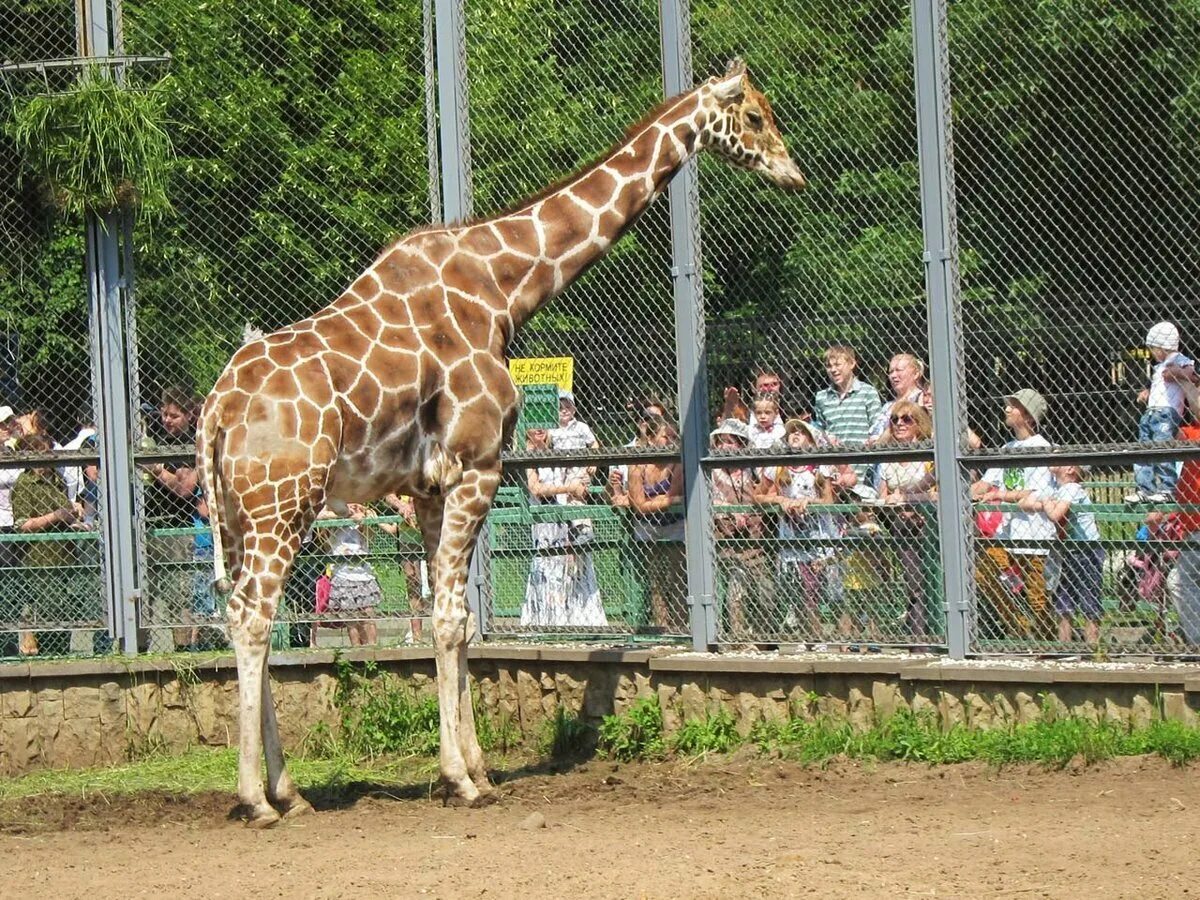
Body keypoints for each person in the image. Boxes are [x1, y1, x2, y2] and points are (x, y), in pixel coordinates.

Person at [970, 389, 1057, 641]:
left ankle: (1047, 641)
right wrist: (965, 491)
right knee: (984, 572)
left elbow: (1033, 490)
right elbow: (988, 482)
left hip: (1034, 533)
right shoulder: (1007, 447)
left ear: (1029, 416)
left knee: (1036, 594)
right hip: (1006, 532)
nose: (1006, 409)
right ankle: (1018, 626)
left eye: (1014, 406)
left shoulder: (1041, 447)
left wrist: (1000, 496)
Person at [756, 418, 841, 641]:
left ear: (811, 439)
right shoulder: (779, 466)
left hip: (818, 537)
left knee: (819, 589)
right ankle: (809, 636)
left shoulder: (819, 467)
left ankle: (823, 636)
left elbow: (829, 500)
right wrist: (779, 500)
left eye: (800, 432)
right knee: (799, 589)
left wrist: (809, 503)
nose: (794, 435)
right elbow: (758, 495)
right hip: (791, 538)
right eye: (791, 432)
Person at [521, 427, 607, 628]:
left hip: (566, 517)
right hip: (546, 519)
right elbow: (536, 488)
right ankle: (548, 620)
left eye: (543, 425)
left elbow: (574, 476)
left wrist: (579, 483)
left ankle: (577, 619)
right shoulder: (528, 453)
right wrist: (568, 488)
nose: (539, 430)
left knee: (573, 568)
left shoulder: (556, 448)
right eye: (534, 425)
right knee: (549, 569)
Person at [11, 433, 83, 656]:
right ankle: (48, 654)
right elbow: (22, 524)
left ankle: (60, 653)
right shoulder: (25, 484)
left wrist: (74, 514)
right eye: (42, 452)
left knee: (68, 607)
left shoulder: (56, 480)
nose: (48, 457)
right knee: (48, 608)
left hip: (64, 555)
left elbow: (63, 512)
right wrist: (54, 516)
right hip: (40, 558)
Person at [142, 384, 202, 651]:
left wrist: (156, 469)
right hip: (148, 525)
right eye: (164, 414)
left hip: (177, 529)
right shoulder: (156, 435)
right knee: (144, 594)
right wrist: (169, 474)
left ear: (188, 415)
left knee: (179, 596)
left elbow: (184, 488)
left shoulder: (195, 443)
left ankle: (182, 652)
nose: (166, 420)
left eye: (174, 415)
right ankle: (140, 650)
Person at [1019, 464, 1103, 646]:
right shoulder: (1057, 489)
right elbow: (1024, 504)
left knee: (1089, 598)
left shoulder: (1073, 489)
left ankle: (1092, 646)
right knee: (1063, 599)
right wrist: (1044, 502)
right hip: (1066, 552)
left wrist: (1047, 503)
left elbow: (1056, 515)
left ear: (1070, 469)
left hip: (1085, 550)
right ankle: (1065, 646)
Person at [877, 401, 938, 640]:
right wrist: (894, 507)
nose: (900, 424)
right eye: (895, 419)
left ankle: (937, 635)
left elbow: (937, 492)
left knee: (932, 580)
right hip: (901, 526)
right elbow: (882, 496)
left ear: (918, 424)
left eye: (907, 419)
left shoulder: (927, 454)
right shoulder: (888, 459)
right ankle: (917, 638)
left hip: (929, 526)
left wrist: (908, 498)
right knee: (913, 583)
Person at [709, 419, 769, 640]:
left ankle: (764, 638)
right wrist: (730, 509)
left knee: (765, 591)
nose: (725, 447)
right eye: (721, 442)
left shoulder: (751, 470)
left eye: (731, 442)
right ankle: (737, 637)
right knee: (736, 588)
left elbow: (764, 493)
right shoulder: (712, 471)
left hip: (754, 540)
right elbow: (708, 500)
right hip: (725, 540)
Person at [626, 416, 686, 632]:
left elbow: (673, 495)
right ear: (650, 439)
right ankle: (663, 628)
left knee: (679, 579)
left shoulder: (677, 462)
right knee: (657, 582)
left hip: (675, 527)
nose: (670, 441)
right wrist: (662, 502)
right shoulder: (637, 466)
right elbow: (639, 506)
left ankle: (681, 629)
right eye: (665, 436)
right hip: (647, 529)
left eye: (673, 437)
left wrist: (656, 501)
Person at [1128, 322, 1197, 505]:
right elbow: (1159, 387)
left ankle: (1167, 487)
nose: (1152, 353)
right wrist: (1147, 392)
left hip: (1167, 412)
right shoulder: (1159, 367)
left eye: (1152, 348)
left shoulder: (1178, 359)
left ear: (1160, 347)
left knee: (1162, 446)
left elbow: (1192, 374)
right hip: (1151, 411)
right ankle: (1145, 488)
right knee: (1143, 447)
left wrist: (1176, 372)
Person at [318, 503, 381, 646]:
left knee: (368, 614)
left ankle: (372, 649)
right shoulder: (333, 522)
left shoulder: (362, 519)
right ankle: (356, 649)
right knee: (351, 618)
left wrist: (361, 518)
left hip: (364, 575)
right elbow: (319, 517)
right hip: (342, 575)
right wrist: (342, 513)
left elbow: (370, 533)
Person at [384, 493, 429, 643]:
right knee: (413, 583)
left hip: (431, 534)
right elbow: (388, 495)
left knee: (437, 582)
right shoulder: (402, 482)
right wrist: (402, 506)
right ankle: (417, 636)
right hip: (408, 539)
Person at [869, 353, 927, 445]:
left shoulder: (923, 398)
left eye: (899, 370)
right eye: (891, 372)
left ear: (916, 373)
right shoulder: (887, 406)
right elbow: (873, 438)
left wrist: (883, 438)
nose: (893, 375)